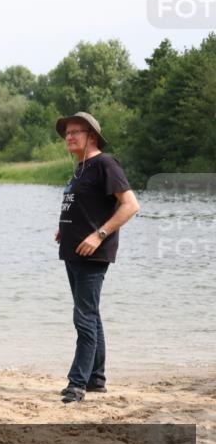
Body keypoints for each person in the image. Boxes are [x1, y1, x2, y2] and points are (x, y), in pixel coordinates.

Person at [55, 111, 139, 404]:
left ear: (91, 136)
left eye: (75, 132)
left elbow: (130, 205)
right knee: (90, 314)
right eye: (67, 132)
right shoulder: (81, 168)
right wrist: (65, 227)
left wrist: (98, 235)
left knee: (84, 318)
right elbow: (86, 205)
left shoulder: (105, 163)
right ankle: (96, 379)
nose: (69, 137)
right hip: (73, 252)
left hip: (92, 254)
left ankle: (77, 385)